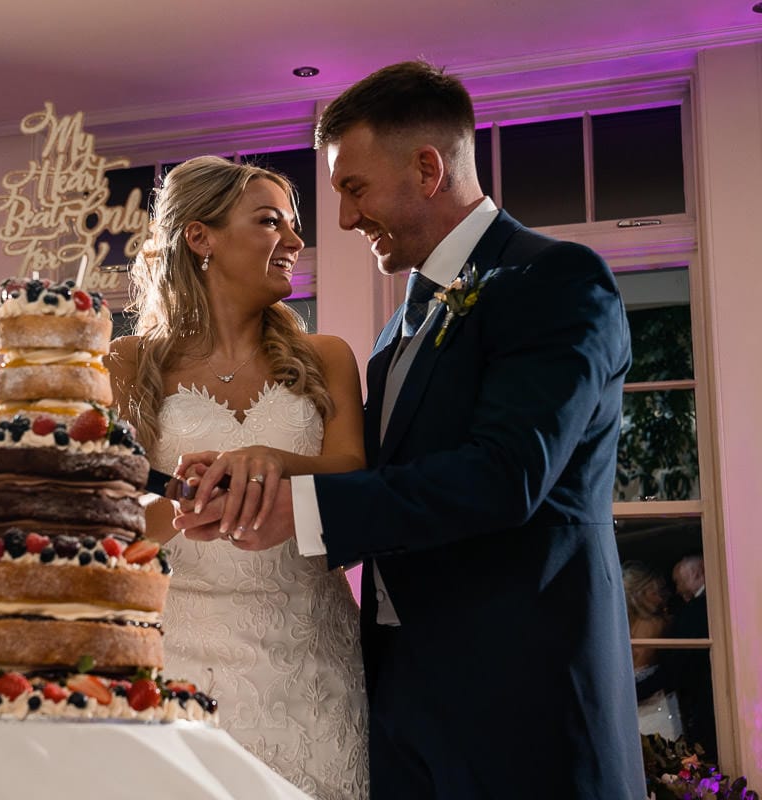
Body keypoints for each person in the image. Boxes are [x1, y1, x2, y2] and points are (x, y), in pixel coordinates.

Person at [175, 61, 646, 799]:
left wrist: (294, 511)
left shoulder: (554, 280)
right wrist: (269, 466)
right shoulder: (404, 322)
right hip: (401, 705)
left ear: (428, 169)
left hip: (523, 704)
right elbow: (388, 479)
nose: (343, 219)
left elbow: (504, 476)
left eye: (353, 188)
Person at [106, 154, 370, 798]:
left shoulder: (326, 357)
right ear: (201, 236)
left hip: (310, 656)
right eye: (270, 221)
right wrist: (192, 499)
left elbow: (352, 474)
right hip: (179, 659)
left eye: (293, 224)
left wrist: (273, 461)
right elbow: (106, 525)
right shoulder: (126, 363)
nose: (296, 240)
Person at [638, 554, 716, 759]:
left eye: (679, 582)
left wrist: (635, 692)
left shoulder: (696, 611)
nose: (678, 590)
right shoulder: (704, 607)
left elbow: (677, 666)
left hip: (702, 703)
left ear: (696, 574)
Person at [622, 561, 680, 740]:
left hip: (650, 704)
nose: (662, 598)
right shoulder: (658, 624)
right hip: (649, 706)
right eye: (656, 592)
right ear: (640, 593)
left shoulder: (619, 626)